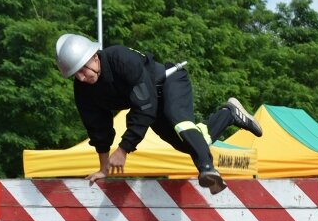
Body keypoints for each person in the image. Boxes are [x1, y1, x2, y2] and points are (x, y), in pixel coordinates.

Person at [55, 33, 263, 194]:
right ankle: (229, 113)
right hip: (150, 103)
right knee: (187, 143)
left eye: (83, 70)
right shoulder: (83, 90)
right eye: (75, 75)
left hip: (169, 82)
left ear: (93, 57)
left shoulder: (120, 58)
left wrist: (124, 148)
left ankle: (208, 169)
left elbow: (144, 106)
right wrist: (103, 168)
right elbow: (97, 127)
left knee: (179, 120)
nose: (82, 78)